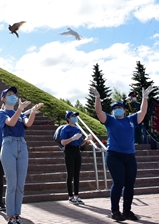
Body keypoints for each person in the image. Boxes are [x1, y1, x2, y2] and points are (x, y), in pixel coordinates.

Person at [94, 86, 153, 222]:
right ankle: (115, 211)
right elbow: (99, 112)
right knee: (118, 183)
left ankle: (127, 211)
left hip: (130, 156)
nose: (117, 110)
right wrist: (97, 97)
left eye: (119, 108)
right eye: (114, 109)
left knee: (130, 184)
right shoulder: (110, 120)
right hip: (114, 155)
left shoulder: (131, 120)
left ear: (124, 110)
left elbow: (143, 112)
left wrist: (145, 98)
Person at [0, 86, 43, 224]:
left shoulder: (21, 114)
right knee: (12, 184)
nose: (13, 96)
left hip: (22, 146)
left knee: (20, 185)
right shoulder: (2, 113)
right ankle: (10, 216)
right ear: (3, 99)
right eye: (9, 94)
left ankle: (18, 214)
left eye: (14, 95)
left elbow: (28, 124)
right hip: (8, 146)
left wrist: (33, 111)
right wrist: (20, 109)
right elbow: (10, 123)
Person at [60, 111, 92, 205]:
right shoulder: (65, 129)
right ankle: (70, 196)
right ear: (68, 118)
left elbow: (80, 143)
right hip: (69, 150)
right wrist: (72, 138)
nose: (75, 117)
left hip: (76, 150)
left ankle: (77, 195)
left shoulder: (78, 129)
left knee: (77, 174)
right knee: (70, 173)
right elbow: (63, 142)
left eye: (75, 116)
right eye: (73, 116)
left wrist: (86, 140)